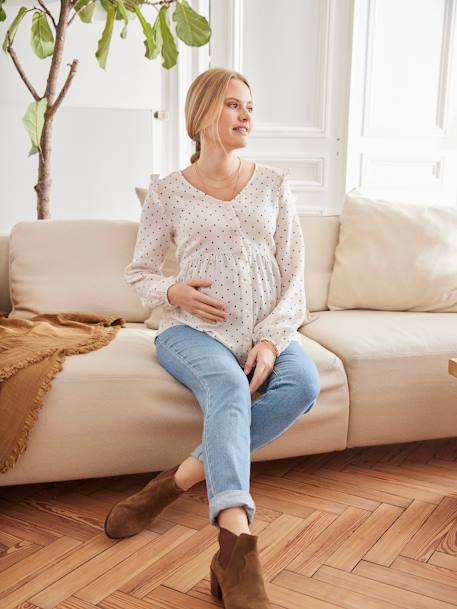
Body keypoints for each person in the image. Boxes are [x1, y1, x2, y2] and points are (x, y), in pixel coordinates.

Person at [104, 67, 321, 609]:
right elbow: (140, 275)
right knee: (229, 391)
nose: (247, 114)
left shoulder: (274, 184)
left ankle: (172, 484)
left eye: (250, 105)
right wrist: (174, 292)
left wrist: (271, 341)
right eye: (233, 105)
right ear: (201, 114)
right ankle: (237, 549)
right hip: (192, 332)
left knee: (302, 385)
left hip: (265, 332)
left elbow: (295, 274)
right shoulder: (167, 192)